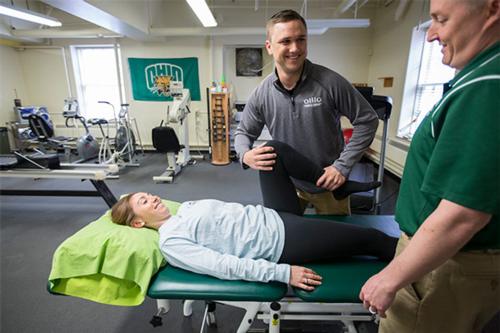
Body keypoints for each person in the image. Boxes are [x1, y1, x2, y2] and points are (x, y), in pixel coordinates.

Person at [359, 0, 500, 332]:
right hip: (448, 259)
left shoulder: (485, 87)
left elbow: (463, 214)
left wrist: (390, 278)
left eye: (441, 20)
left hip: (444, 265)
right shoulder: (479, 77)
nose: (431, 34)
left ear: (492, 9)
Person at [112, 140, 396, 290]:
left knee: (274, 150)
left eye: (149, 194)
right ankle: (425, 266)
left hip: (272, 215)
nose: (154, 198)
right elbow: (223, 265)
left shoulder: (184, 209)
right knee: (371, 239)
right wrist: (282, 273)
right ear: (138, 222)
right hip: (280, 241)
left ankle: (337, 187)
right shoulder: (171, 241)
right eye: (144, 202)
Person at [234, 9, 379, 215]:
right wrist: (244, 155)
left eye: (300, 40)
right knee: (286, 239)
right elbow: (244, 133)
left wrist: (342, 166)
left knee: (336, 245)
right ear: (269, 47)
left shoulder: (330, 82)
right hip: (289, 185)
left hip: (331, 184)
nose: (295, 49)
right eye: (285, 41)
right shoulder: (261, 94)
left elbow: (367, 120)